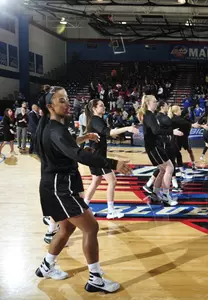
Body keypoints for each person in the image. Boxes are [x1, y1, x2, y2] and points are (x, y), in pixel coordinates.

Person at [34, 86, 132, 293]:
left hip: (55, 186)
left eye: (67, 99)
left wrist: (83, 138)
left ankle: (46, 267)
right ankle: (95, 279)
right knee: (91, 228)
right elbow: (78, 155)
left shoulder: (52, 128)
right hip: (60, 188)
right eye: (61, 100)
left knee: (67, 229)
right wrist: (113, 163)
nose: (67, 103)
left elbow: (65, 146)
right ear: (50, 106)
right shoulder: (55, 130)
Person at [83, 99, 138, 219]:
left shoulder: (97, 120)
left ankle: (84, 209)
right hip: (97, 157)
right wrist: (127, 128)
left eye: (103, 105)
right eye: (101, 106)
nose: (104, 107)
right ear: (94, 109)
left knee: (96, 181)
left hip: (95, 156)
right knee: (112, 181)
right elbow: (108, 132)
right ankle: (111, 211)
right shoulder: (95, 120)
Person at [141, 95, 182, 206]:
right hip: (153, 147)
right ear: (148, 103)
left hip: (155, 146)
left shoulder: (151, 115)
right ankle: (165, 196)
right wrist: (171, 132)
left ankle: (155, 194)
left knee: (162, 170)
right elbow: (156, 130)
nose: (156, 103)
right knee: (170, 168)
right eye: (154, 101)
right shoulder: (149, 115)